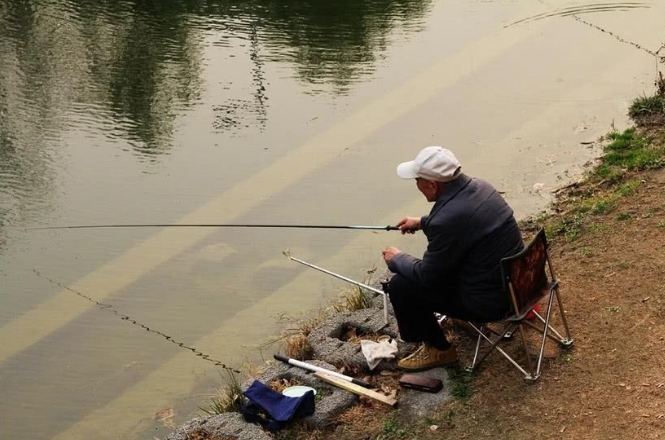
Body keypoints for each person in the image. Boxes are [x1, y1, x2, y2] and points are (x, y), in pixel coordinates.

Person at [382, 146, 524, 371]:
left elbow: (427, 276)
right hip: (522, 287)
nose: (417, 185)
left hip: (491, 304)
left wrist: (397, 259)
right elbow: (462, 220)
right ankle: (460, 320)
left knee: (401, 285)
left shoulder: (446, 220)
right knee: (448, 265)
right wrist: (423, 221)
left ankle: (439, 349)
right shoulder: (482, 187)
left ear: (432, 184)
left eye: (417, 180)